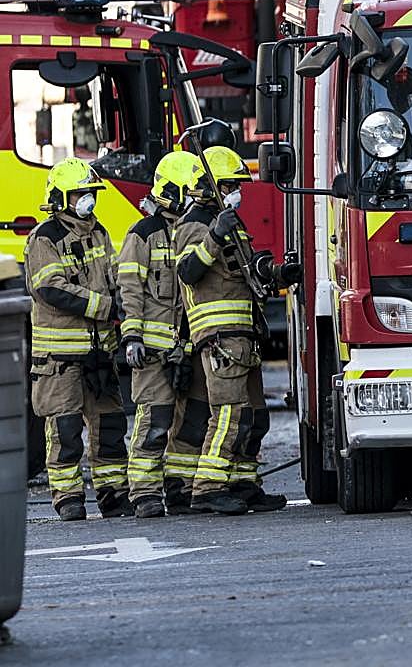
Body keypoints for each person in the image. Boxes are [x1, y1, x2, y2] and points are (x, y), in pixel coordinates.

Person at [174, 146, 293, 515]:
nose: (237, 193)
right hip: (220, 337)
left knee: (254, 415)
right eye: (231, 186)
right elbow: (188, 271)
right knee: (227, 412)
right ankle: (207, 488)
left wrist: (276, 273)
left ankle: (243, 482)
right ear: (212, 187)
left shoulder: (229, 222)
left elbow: (245, 269)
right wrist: (213, 235)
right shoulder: (194, 225)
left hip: (245, 333)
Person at [25, 158, 131, 521]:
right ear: (61, 198)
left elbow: (113, 275)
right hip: (61, 358)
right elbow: (50, 289)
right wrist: (105, 306)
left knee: (111, 427)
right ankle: (68, 498)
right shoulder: (45, 238)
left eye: (90, 192)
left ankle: (113, 493)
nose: (88, 199)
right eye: (80, 193)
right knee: (65, 429)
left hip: (99, 354)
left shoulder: (98, 232)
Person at [117, 150, 204, 518]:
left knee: (191, 423)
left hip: (188, 347)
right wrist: (132, 337)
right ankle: (145, 494)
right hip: (153, 351)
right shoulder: (143, 234)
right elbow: (130, 289)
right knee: (154, 423)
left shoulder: (193, 230)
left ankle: (180, 488)